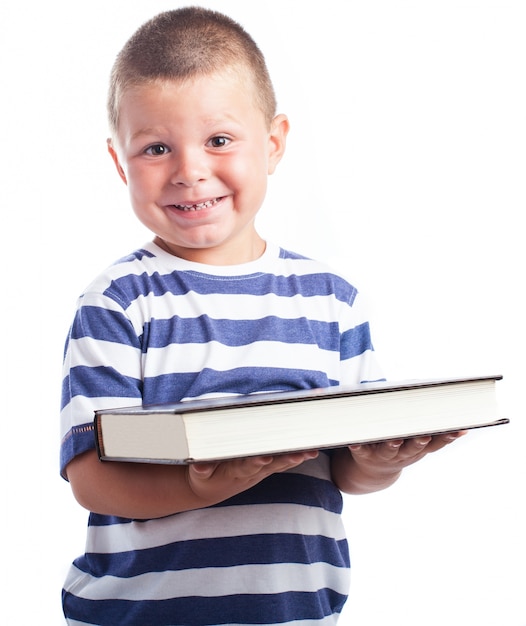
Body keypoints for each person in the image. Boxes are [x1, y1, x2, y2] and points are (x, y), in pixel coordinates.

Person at [60, 7, 464, 625]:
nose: (190, 170)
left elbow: (351, 470)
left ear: (272, 144)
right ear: (120, 163)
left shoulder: (331, 299)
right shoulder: (117, 300)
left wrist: (381, 463)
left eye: (219, 140)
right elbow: (91, 478)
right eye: (156, 148)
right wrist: (200, 485)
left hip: (295, 613)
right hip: (141, 615)